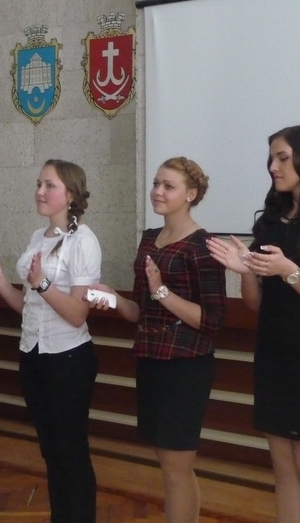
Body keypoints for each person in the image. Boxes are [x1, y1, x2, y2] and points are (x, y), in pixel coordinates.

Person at [207, 125, 300, 522]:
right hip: (274, 352)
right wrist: (245, 271)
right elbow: (257, 303)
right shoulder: (270, 220)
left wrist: (288, 270)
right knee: (285, 468)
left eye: (282, 158)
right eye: (271, 158)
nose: (273, 166)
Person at [88, 156, 225, 523]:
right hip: (150, 357)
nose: (157, 191)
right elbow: (140, 311)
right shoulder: (149, 238)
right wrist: (113, 299)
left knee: (177, 463)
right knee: (169, 463)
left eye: (168, 186)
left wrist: (162, 291)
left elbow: (212, 320)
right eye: (156, 183)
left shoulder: (203, 245)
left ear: (191, 194)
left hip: (187, 364)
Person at [0, 159, 102, 523]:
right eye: (39, 184)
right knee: (51, 451)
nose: (40, 192)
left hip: (68, 358)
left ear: (70, 195)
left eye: (49, 185)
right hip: (34, 355)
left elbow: (77, 313)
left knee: (70, 451)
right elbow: (28, 307)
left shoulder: (83, 241)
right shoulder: (38, 238)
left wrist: (42, 283)